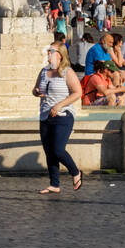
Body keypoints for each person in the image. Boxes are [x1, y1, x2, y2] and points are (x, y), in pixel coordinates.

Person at [34, 45, 82, 193]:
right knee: (49, 151)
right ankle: (54, 184)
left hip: (63, 115)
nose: (48, 53)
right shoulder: (44, 71)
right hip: (45, 115)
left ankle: (76, 172)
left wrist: (59, 105)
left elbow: (77, 92)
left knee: (58, 149)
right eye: (48, 51)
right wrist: (36, 92)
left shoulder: (67, 72)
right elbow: (35, 89)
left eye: (52, 51)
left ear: (60, 55)